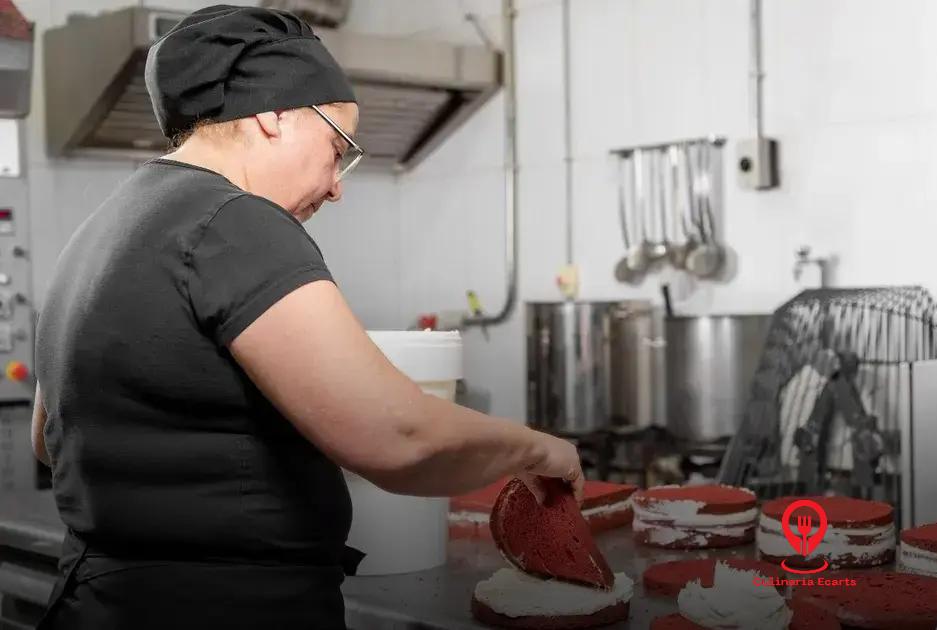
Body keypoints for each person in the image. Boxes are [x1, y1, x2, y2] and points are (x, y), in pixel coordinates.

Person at [30, 5, 584, 629]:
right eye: (338, 147)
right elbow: (396, 437)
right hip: (223, 612)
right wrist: (538, 451)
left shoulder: (104, 227)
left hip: (100, 603)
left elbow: (48, 441)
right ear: (275, 115)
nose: (338, 184)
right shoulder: (236, 222)